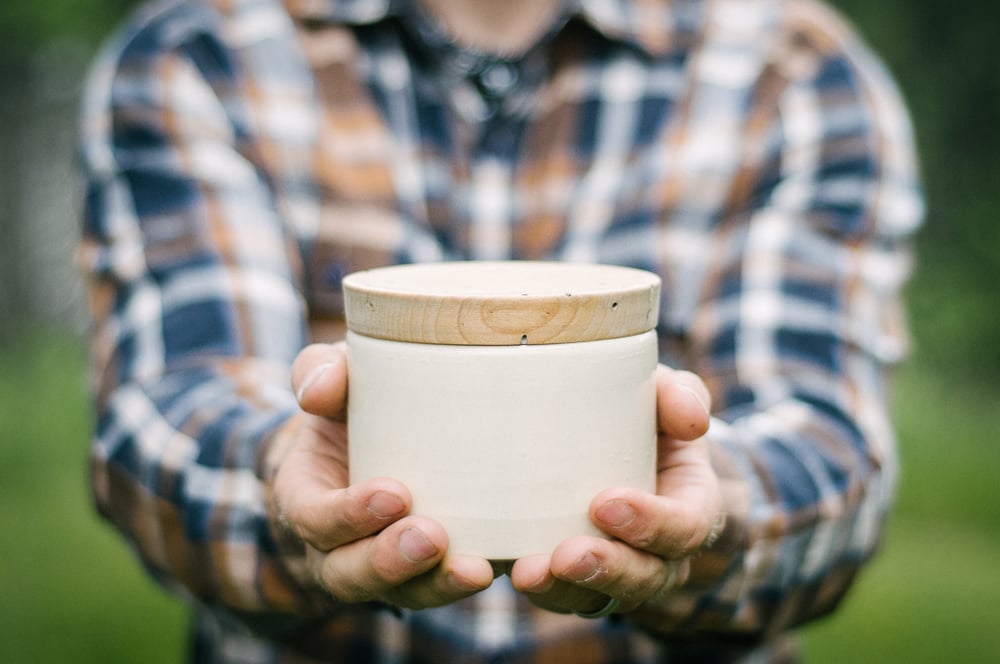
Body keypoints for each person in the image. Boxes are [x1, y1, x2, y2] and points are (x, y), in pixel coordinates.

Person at [77, 0, 923, 661]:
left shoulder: (792, 72)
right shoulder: (200, 56)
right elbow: (163, 417)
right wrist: (281, 478)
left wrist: (708, 518)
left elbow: (831, 455)